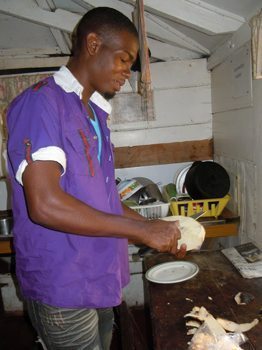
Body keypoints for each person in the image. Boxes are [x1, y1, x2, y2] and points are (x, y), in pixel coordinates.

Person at [6, 7, 186, 350]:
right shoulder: (41, 104)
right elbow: (44, 205)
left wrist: (160, 225)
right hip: (62, 283)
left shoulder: (92, 114)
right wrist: (143, 231)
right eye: (123, 59)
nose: (126, 74)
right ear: (92, 44)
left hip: (97, 275)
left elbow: (104, 202)